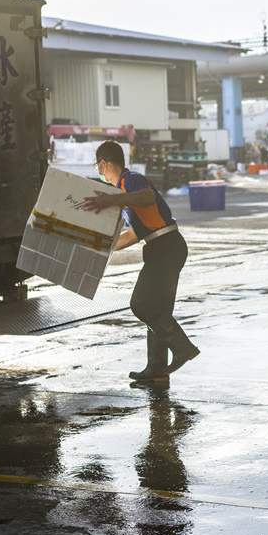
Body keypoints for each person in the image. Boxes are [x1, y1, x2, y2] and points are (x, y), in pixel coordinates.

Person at [82, 140, 199, 381]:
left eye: (97, 166)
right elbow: (133, 235)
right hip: (164, 247)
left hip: (166, 247)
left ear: (103, 164)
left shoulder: (130, 180)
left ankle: (183, 348)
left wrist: (113, 200)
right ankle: (157, 370)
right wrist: (100, 248)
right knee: (158, 309)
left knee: (141, 304)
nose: (98, 170)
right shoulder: (125, 194)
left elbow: (147, 196)